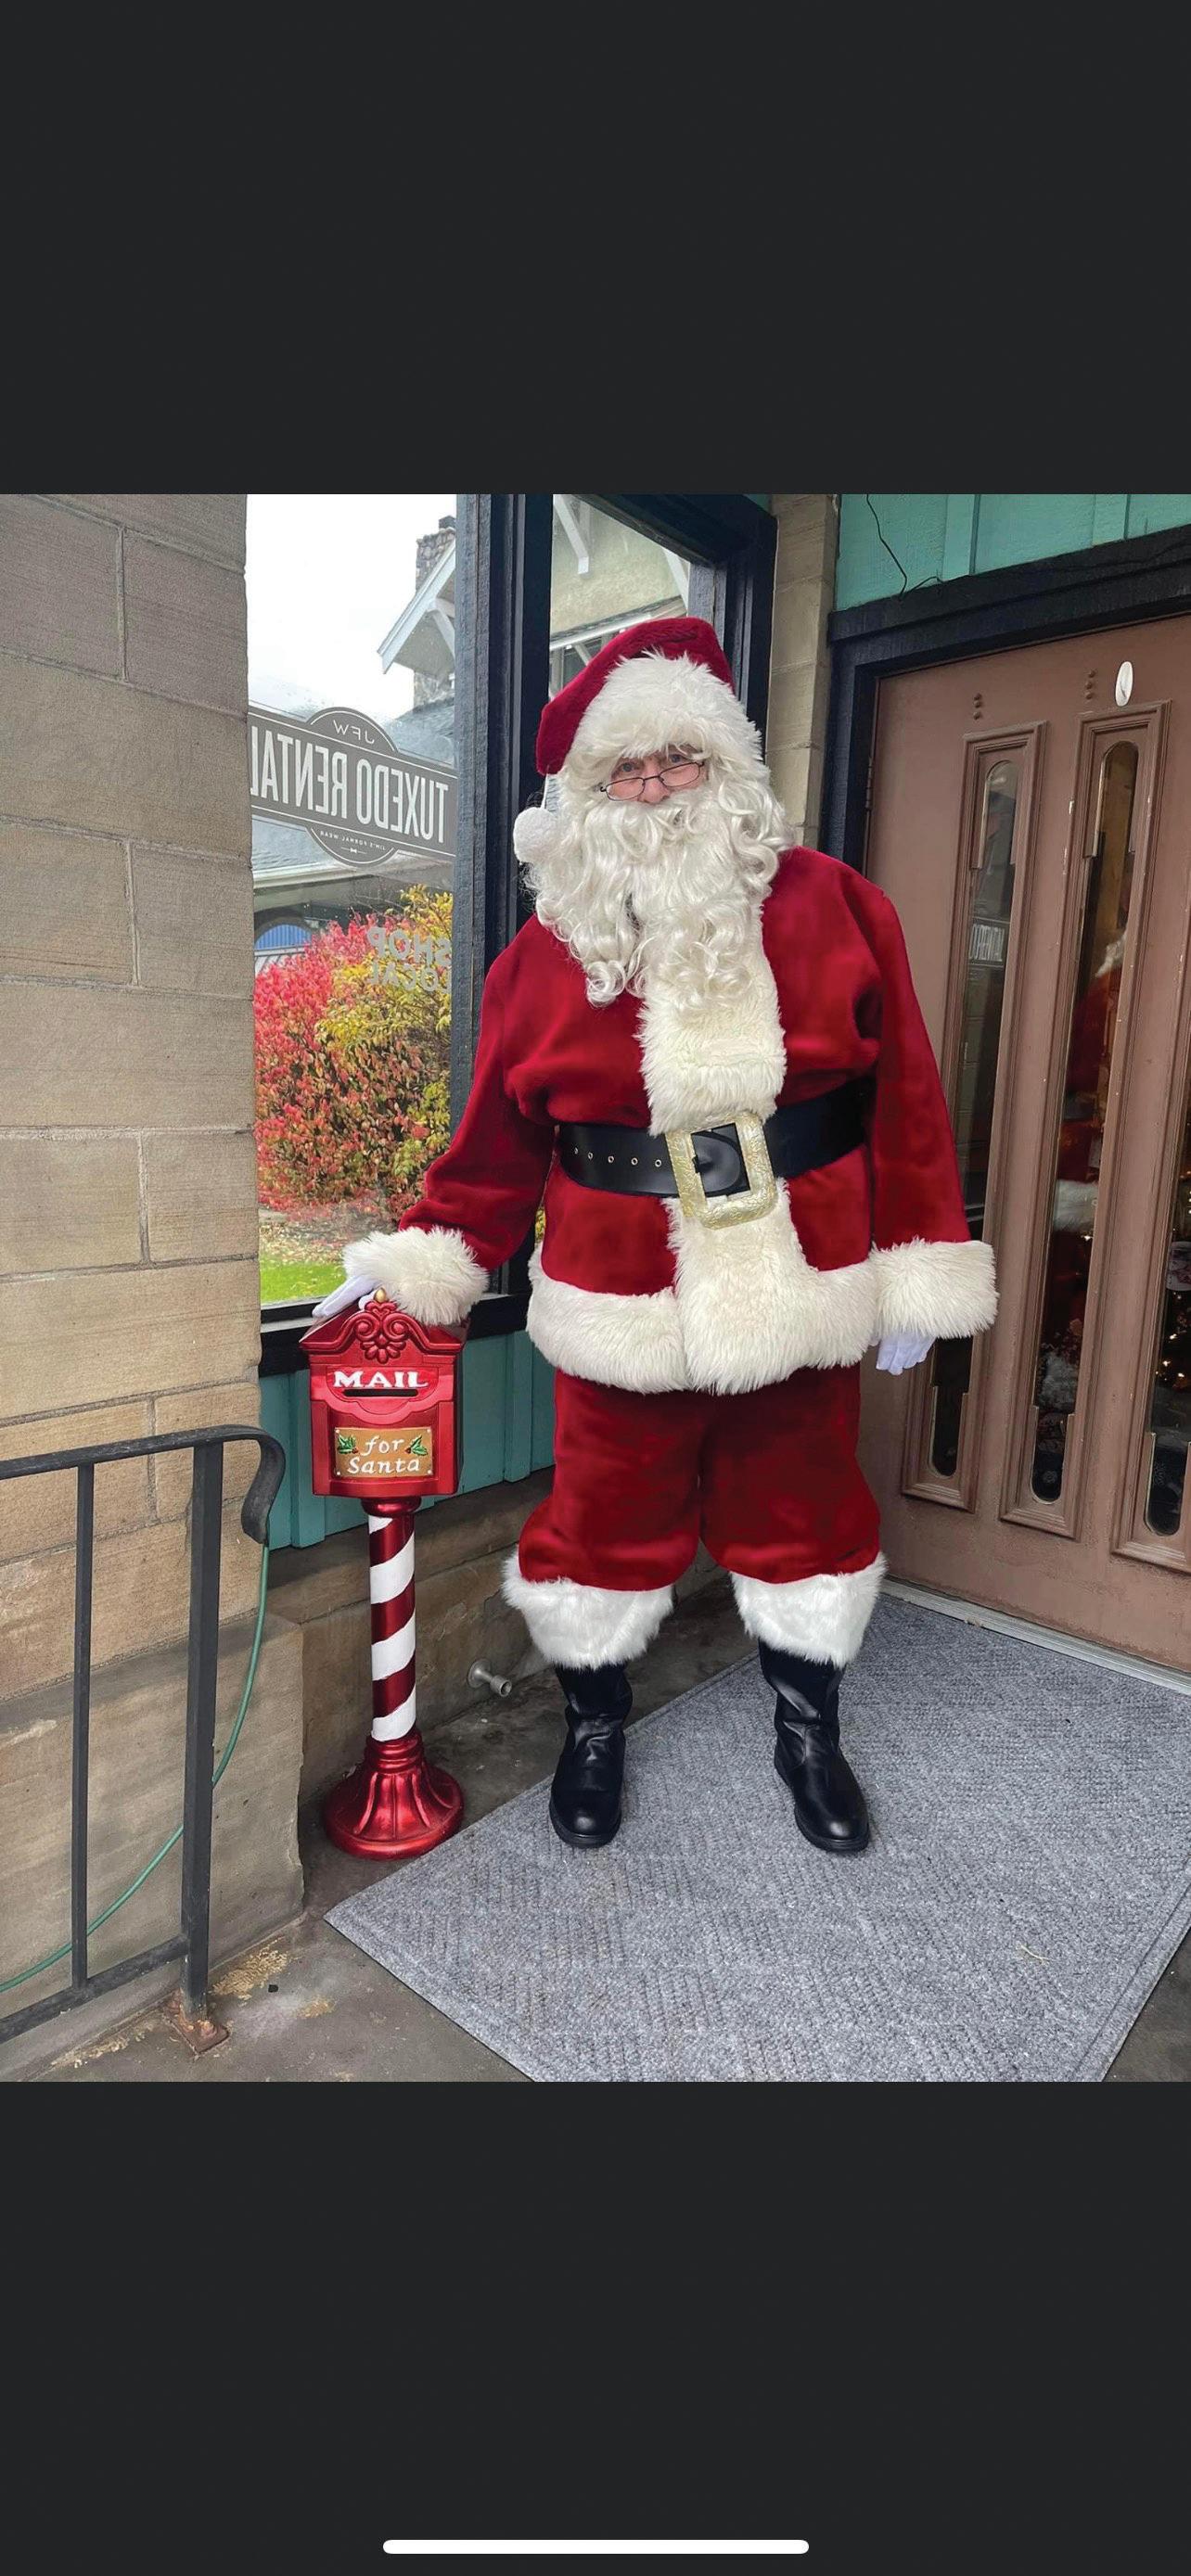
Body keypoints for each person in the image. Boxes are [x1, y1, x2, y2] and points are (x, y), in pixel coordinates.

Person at [320, 617, 998, 1857]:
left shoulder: (840, 906)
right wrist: (418, 1270)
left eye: (677, 760)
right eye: (625, 771)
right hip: (618, 1294)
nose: (655, 788)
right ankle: (594, 1728)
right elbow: (492, 1146)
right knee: (600, 1530)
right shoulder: (541, 957)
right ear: (587, 797)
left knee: (806, 1520)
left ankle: (808, 1732)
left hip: (802, 1280)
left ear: (725, 766)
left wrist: (917, 1265)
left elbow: (906, 1099)